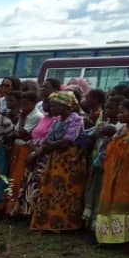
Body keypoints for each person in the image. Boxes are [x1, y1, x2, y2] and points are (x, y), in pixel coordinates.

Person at [30, 91, 87, 232]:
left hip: (70, 160)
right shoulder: (56, 121)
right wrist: (45, 147)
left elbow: (68, 141)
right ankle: (49, 223)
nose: (52, 108)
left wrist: (48, 146)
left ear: (66, 106)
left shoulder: (76, 120)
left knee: (67, 191)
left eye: (55, 106)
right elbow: (48, 139)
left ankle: (65, 225)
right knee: (51, 190)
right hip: (55, 159)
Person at [94, 98, 129, 245]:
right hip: (114, 174)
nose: (119, 113)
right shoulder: (121, 129)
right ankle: (110, 238)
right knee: (111, 204)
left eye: (123, 111)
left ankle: (126, 240)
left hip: (126, 178)